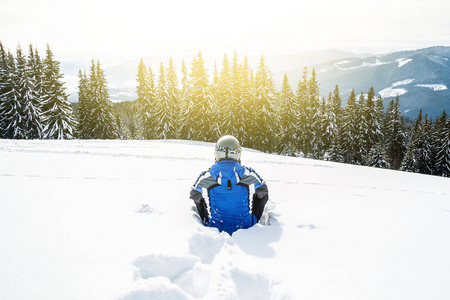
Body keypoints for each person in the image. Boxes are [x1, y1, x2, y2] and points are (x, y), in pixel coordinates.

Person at [190, 135, 269, 235]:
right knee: (260, 194)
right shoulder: (249, 174)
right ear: (237, 154)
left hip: (215, 228)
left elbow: (194, 194)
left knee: (200, 198)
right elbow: (263, 191)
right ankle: (251, 221)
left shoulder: (206, 177)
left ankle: (207, 221)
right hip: (246, 228)